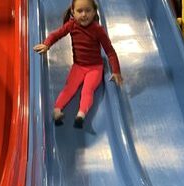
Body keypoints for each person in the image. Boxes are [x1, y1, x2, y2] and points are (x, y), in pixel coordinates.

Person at [33, 0, 123, 128]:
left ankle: (81, 115)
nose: (84, 14)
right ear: (73, 12)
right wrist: (47, 44)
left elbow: (110, 51)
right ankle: (57, 109)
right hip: (78, 66)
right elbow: (56, 35)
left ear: (94, 12)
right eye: (80, 11)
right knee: (69, 87)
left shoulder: (98, 30)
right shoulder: (72, 25)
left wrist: (116, 71)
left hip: (95, 68)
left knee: (87, 90)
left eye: (88, 11)